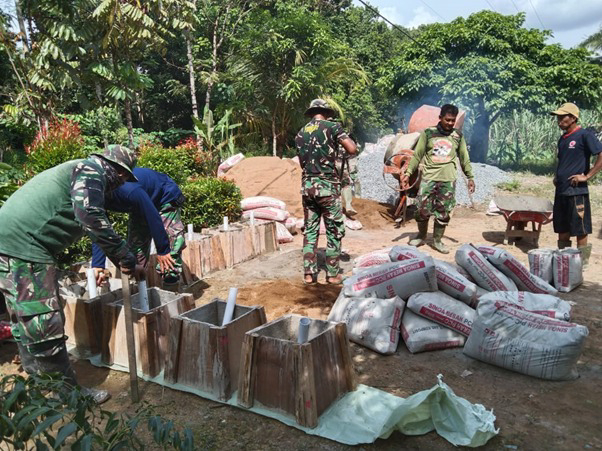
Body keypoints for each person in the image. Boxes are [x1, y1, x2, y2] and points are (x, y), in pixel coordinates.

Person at [0, 145, 141, 404]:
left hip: (11, 245)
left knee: (25, 318)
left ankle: (42, 383)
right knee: (44, 322)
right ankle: (68, 395)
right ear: (113, 167)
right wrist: (123, 255)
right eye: (122, 177)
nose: (121, 183)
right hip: (23, 248)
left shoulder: (81, 172)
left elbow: (90, 221)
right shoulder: (91, 170)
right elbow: (91, 217)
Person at [296, 99, 357, 284]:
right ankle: (332, 274)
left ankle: (309, 274)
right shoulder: (333, 127)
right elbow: (352, 149)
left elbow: (301, 163)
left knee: (311, 230)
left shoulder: (300, 133)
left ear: (312, 112)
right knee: (333, 229)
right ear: (326, 112)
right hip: (327, 187)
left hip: (307, 187)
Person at [91, 167, 186, 287]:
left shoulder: (127, 190)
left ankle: (172, 289)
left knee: (169, 253)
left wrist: (162, 250)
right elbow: (99, 229)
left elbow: (152, 215)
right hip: (140, 205)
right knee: (135, 255)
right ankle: (143, 295)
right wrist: (98, 265)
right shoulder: (94, 198)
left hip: (164, 197)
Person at [400, 104, 475, 254]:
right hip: (429, 178)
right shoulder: (428, 133)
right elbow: (417, 155)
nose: (450, 123)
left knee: (443, 211)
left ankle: (437, 240)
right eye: (447, 120)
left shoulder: (457, 137)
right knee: (421, 209)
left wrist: (470, 177)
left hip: (448, 180)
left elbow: (464, 158)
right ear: (440, 118)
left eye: (452, 121)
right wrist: (408, 173)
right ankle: (421, 235)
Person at [549, 102, 602, 267]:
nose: (559, 120)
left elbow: (601, 155)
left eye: (562, 116)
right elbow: (565, 161)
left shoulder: (584, 135)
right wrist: (557, 176)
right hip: (561, 191)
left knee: (580, 229)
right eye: (557, 117)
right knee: (562, 229)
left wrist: (587, 176)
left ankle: (582, 264)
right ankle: (565, 262)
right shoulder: (563, 139)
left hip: (576, 192)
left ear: (573, 118)